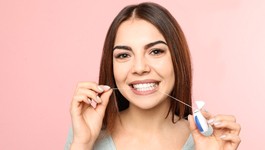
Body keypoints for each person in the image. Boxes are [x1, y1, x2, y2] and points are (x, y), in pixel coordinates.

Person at [65, 2, 241, 150]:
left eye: (155, 51)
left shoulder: (212, 140)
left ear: (177, 59)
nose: (140, 68)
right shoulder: (85, 133)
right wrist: (82, 144)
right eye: (124, 55)